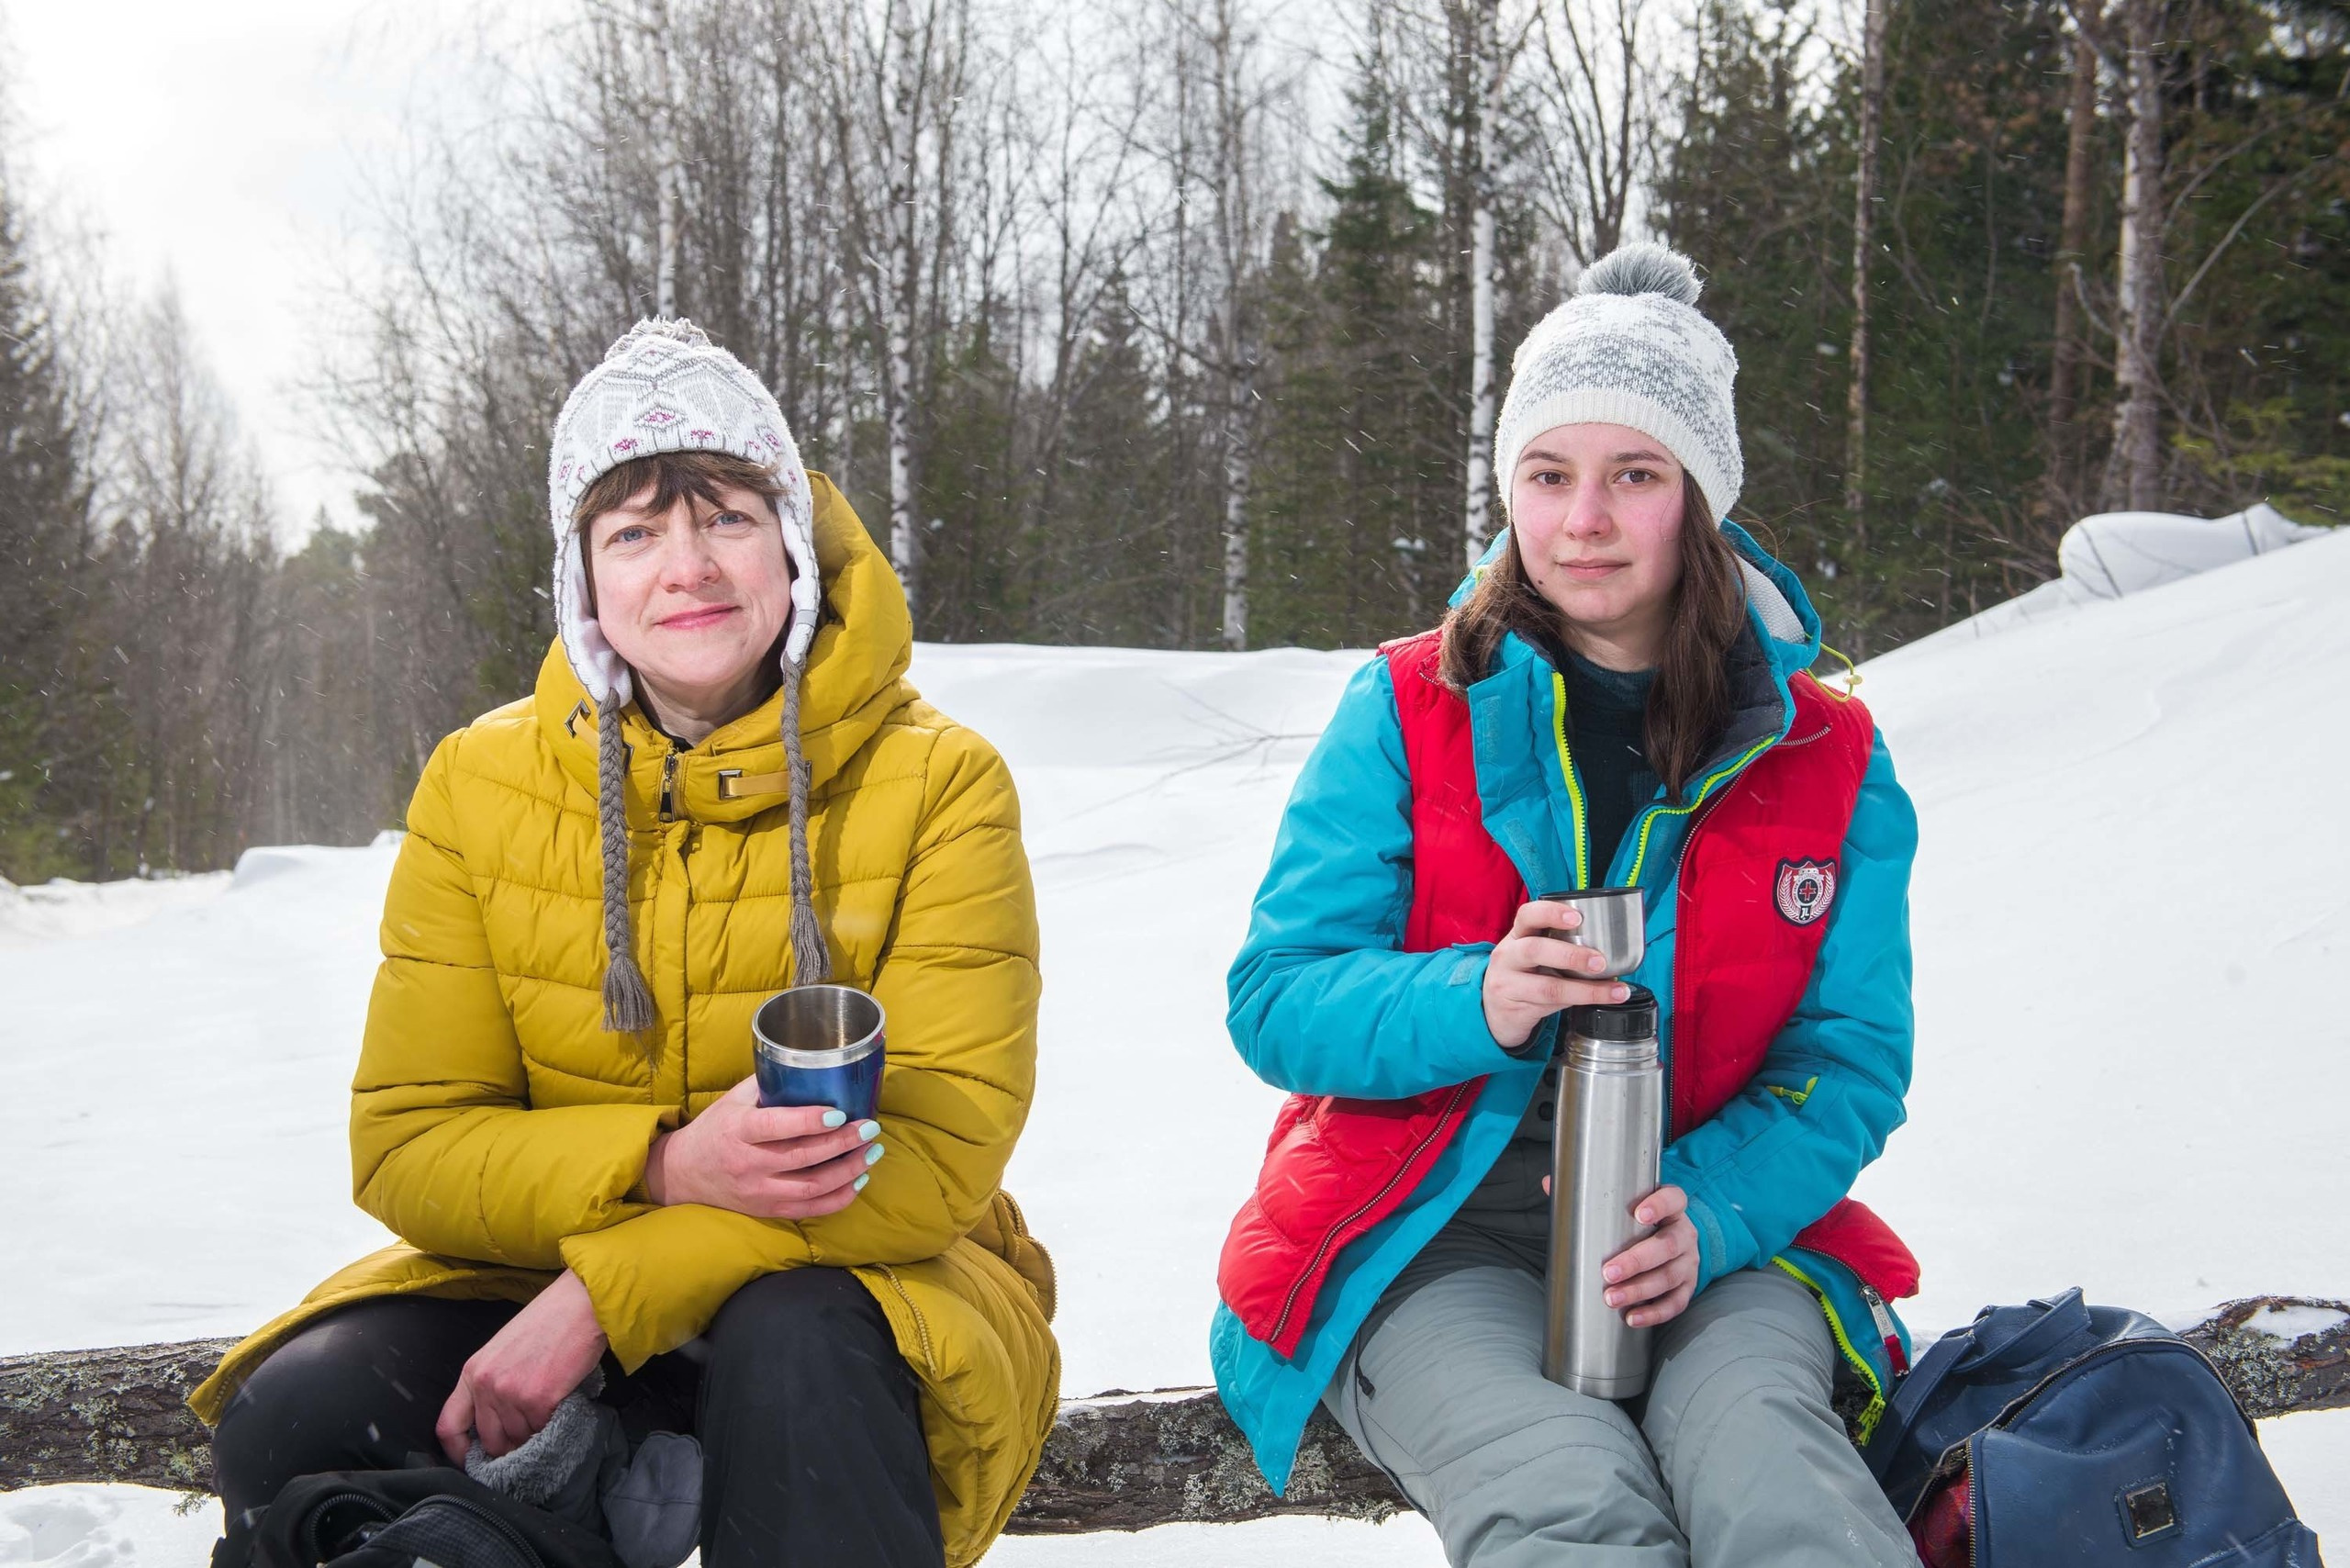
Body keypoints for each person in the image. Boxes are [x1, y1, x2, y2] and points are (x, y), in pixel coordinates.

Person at [191, 319, 1058, 1568]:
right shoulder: (480, 782)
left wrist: (605, 1295)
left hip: (863, 1287)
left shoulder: (942, 783)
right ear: (583, 578)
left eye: (729, 520)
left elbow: (935, 1153)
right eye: (635, 532)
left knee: (795, 1352)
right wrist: (663, 1167)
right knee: (306, 1410)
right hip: (523, 1277)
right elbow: (410, 1144)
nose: (687, 568)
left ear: (795, 549)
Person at [1210, 244, 1922, 1565]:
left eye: (1634, 475)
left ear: (1698, 500)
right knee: (1568, 1502)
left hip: (1710, 1226)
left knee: (1778, 1480)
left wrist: (1712, 1214)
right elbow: (1277, 998)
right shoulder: (1409, 707)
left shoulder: (1831, 758)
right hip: (1430, 1229)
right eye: (1549, 475)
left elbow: (1851, 1061)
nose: (1583, 519)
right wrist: (1471, 995)